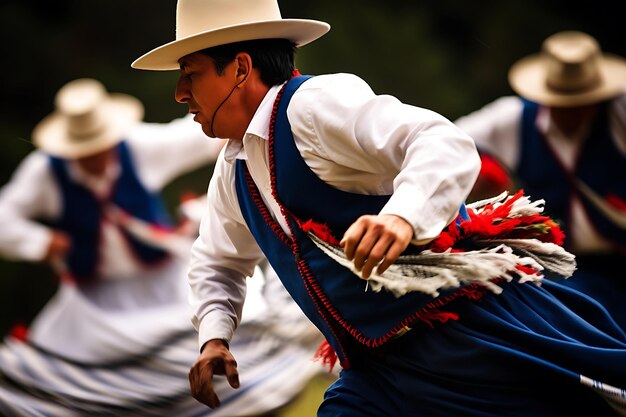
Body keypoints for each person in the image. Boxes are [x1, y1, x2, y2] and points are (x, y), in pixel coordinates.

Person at [132, 2, 626, 416]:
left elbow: (441, 140)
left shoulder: (313, 105)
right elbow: (218, 262)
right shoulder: (233, 168)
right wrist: (215, 338)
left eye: (190, 75)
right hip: (376, 374)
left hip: (469, 338)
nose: (180, 93)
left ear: (240, 68)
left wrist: (401, 215)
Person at [0, 78, 331, 416]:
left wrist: (241, 119)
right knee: (55, 379)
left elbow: (192, 136)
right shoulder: (45, 172)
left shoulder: (138, 146)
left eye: (99, 145)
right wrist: (40, 243)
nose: (95, 155)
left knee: (232, 333)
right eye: (83, 151)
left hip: (164, 285)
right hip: (96, 301)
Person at [455, 30, 626, 329]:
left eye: (580, 101)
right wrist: (484, 171)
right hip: (563, 268)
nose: (570, 110)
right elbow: (444, 141)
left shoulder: (619, 113)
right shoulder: (513, 119)